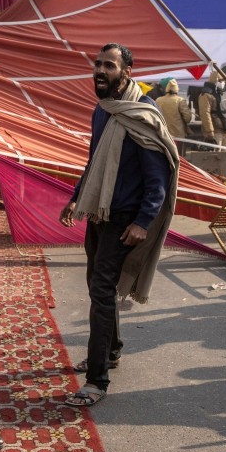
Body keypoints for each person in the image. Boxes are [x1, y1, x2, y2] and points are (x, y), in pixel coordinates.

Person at [59, 43, 178, 408]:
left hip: (125, 219)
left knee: (100, 290)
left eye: (109, 65)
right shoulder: (104, 108)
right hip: (99, 211)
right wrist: (78, 195)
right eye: (97, 64)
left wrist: (143, 222)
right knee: (99, 283)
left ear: (127, 71)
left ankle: (96, 380)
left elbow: (157, 178)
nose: (100, 70)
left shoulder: (143, 113)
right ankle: (111, 351)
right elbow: (94, 158)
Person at [198, 64, 226, 150]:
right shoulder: (206, 94)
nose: (223, 82)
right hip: (215, 132)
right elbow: (205, 113)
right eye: (221, 80)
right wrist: (210, 131)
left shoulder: (223, 93)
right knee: (215, 156)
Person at [154, 77, 193, 144]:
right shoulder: (180, 100)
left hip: (162, 134)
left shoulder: (158, 100)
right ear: (176, 89)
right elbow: (188, 118)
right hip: (178, 135)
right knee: (178, 154)